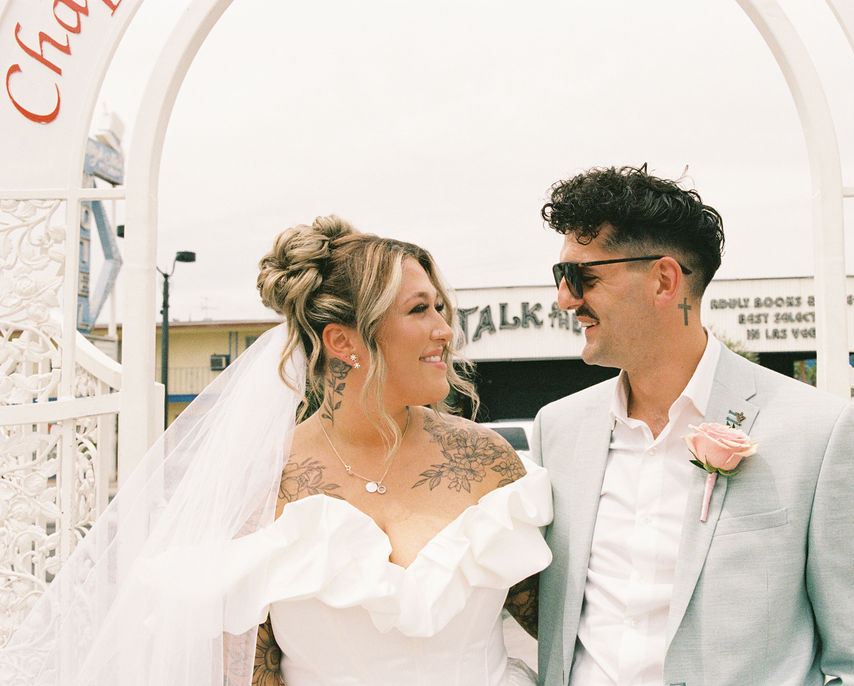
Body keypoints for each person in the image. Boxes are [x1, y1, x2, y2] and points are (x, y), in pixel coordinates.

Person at [0, 216, 551, 686]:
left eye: (440, 307)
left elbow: (558, 625)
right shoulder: (262, 482)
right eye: (419, 311)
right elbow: (254, 669)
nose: (444, 330)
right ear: (343, 341)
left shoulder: (489, 463)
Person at [529, 166, 854, 685]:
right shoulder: (558, 428)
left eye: (582, 278)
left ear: (664, 280)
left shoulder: (814, 431)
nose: (565, 300)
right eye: (562, 278)